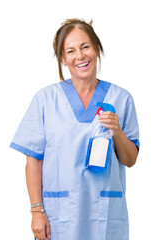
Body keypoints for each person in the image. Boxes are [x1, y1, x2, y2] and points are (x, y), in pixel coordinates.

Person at [10, 18, 139, 240]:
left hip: (105, 215)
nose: (79, 56)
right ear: (63, 58)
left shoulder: (122, 98)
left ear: (96, 48)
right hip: (60, 216)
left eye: (85, 47)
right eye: (70, 51)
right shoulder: (45, 100)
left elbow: (130, 160)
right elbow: (33, 160)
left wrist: (117, 131)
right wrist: (36, 210)